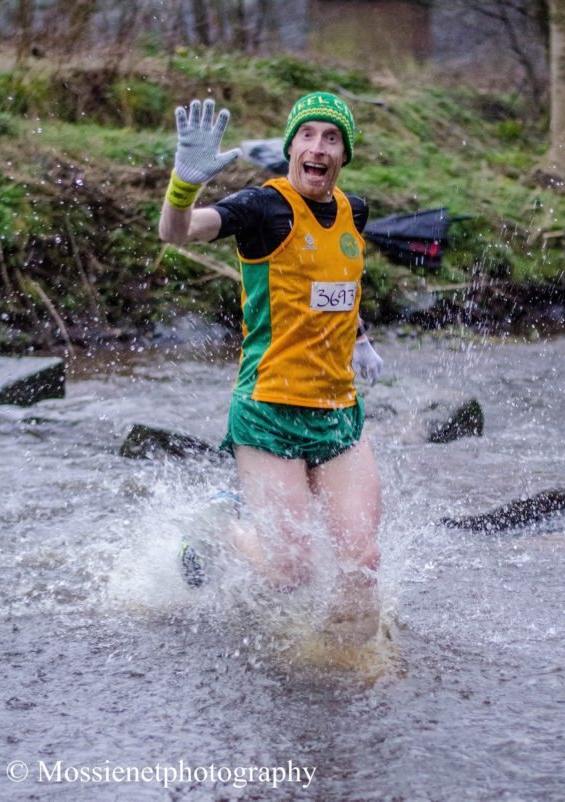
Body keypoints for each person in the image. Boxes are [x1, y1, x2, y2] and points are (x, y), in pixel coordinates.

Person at [159, 93, 384, 634]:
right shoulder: (263, 208)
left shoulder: (355, 213)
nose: (318, 147)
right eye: (307, 135)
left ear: (344, 155)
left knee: (363, 563)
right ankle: (220, 527)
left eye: (332, 138)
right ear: (291, 146)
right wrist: (183, 185)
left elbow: (332, 286)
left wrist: (359, 337)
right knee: (291, 571)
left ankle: (343, 661)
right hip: (268, 412)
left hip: (337, 413)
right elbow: (177, 232)